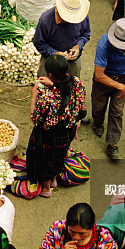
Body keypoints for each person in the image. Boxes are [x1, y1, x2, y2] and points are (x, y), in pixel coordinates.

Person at [26, 55, 87, 196]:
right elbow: (66, 95)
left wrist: (34, 95)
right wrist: (53, 86)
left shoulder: (48, 98)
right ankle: (54, 179)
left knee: (44, 159)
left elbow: (35, 118)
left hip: (48, 136)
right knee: (58, 156)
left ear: (50, 75)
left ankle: (46, 188)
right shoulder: (77, 83)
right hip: (67, 131)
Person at [90, 19, 125, 160]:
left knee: (117, 111)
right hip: (105, 78)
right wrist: (119, 86)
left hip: (124, 76)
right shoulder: (104, 45)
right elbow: (98, 75)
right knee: (99, 105)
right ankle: (98, 123)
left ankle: (112, 144)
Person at [33, 0, 91, 79]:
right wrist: (55, 53)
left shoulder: (82, 16)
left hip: (72, 60)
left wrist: (78, 46)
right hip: (50, 59)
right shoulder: (46, 20)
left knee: (72, 85)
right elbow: (38, 42)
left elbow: (86, 34)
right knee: (45, 85)